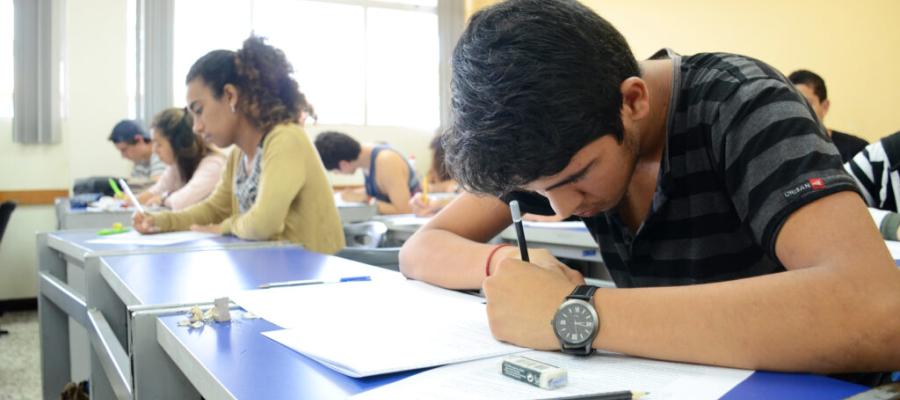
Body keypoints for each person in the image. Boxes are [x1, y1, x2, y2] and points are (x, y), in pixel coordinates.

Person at [399, 0, 900, 382]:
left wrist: (574, 311)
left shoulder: (744, 103)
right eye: (538, 191)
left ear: (632, 100)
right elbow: (422, 249)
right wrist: (506, 270)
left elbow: (877, 312)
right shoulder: (557, 144)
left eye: (577, 177)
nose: (561, 207)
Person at [132, 36, 345, 254]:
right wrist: (161, 221)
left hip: (313, 277)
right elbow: (214, 209)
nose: (196, 127)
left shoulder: (285, 138)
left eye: (198, 110)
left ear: (230, 96)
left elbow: (263, 223)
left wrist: (224, 227)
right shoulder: (238, 155)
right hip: (274, 271)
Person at [135, 107, 226, 210]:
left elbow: (183, 200)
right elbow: (156, 191)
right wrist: (132, 200)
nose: (154, 151)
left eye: (159, 144)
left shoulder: (213, 164)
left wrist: (163, 199)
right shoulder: (177, 165)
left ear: (179, 144)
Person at [315, 131, 420, 215]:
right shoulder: (365, 158)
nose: (337, 174)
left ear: (344, 164)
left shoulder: (386, 161)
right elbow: (383, 189)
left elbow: (405, 209)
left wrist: (365, 199)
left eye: (335, 172)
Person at [789, 69, 868, 162]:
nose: (799, 111)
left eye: (808, 103)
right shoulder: (779, 151)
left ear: (825, 106)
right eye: (792, 103)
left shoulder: (856, 150)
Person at [409, 133, 459, 217]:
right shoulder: (431, 175)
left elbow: (453, 186)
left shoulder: (458, 185)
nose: (431, 165)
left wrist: (433, 189)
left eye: (433, 159)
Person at [108, 119, 166, 187]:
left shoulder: (160, 153)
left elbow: (157, 188)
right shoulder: (140, 161)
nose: (123, 156)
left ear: (139, 140)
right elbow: (135, 187)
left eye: (124, 150)